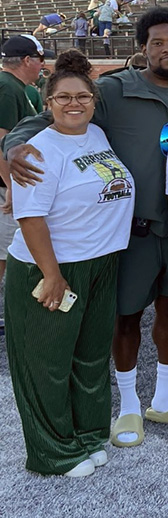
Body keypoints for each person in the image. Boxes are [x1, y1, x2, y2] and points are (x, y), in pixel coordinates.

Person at [4, 7, 168, 450]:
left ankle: (166, 397)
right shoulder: (114, 89)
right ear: (143, 48)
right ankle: (130, 405)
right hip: (130, 231)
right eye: (157, 42)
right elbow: (49, 120)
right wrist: (15, 146)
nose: (167, 49)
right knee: (125, 317)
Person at [5, 48, 134, 477]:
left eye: (82, 96)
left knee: (91, 356)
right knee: (47, 364)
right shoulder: (37, 152)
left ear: (94, 101)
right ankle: (53, 451)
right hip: (51, 267)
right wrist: (52, 274)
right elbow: (29, 218)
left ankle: (89, 434)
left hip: (100, 262)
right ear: (48, 104)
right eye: (63, 98)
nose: (74, 104)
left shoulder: (96, 136)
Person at [1, 35, 54, 337]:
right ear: (26, 61)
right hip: (7, 185)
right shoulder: (7, 88)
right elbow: (0, 138)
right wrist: (9, 184)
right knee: (6, 255)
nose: (42, 65)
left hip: (12, 182)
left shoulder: (16, 87)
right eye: (40, 59)